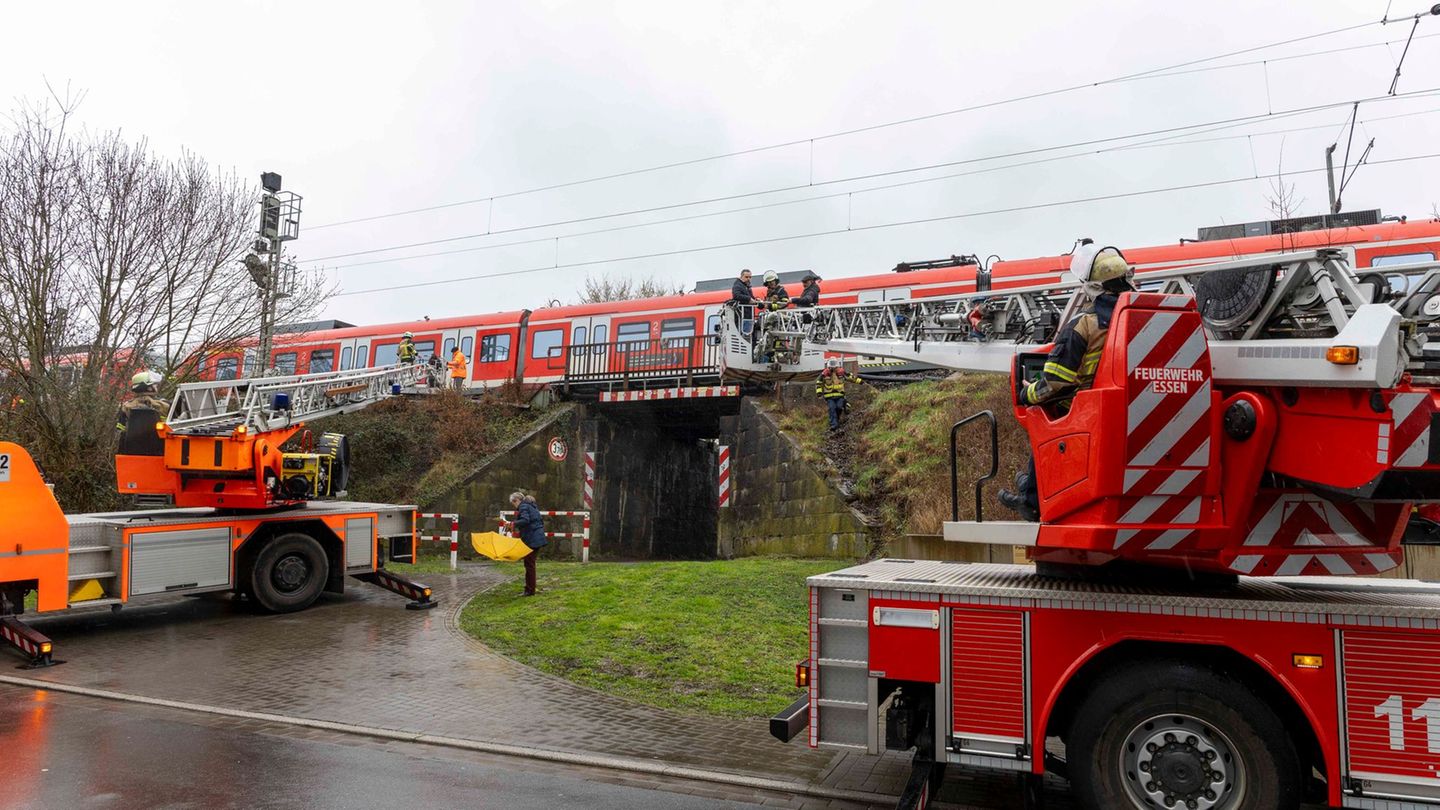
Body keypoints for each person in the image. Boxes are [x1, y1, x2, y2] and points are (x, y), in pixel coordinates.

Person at [999, 240, 1136, 522]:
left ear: (1092, 286)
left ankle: (1031, 499)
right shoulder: (1147, 315)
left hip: (1094, 414)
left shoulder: (1084, 325)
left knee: (1041, 413)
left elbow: (1056, 383)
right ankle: (1028, 487)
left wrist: (1028, 395)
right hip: (1142, 409)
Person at [509, 491, 548, 596]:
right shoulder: (532, 507)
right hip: (537, 538)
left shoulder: (523, 507)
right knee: (530, 564)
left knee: (529, 565)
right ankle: (530, 588)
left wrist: (513, 524)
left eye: (513, 503)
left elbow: (525, 520)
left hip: (532, 540)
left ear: (516, 500)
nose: (514, 506)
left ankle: (530, 590)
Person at [816, 358, 865, 431]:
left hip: (840, 395)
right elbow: (819, 383)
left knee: (839, 407)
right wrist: (819, 393)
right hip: (829, 396)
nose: (833, 368)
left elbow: (851, 377)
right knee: (832, 408)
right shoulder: (824, 374)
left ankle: (837, 420)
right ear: (828, 366)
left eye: (834, 366)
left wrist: (860, 381)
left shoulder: (841, 373)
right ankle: (834, 425)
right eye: (831, 366)